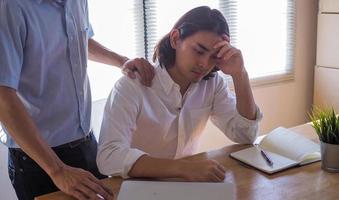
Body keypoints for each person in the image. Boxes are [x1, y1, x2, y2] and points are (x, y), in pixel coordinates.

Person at [0, 0, 154, 199]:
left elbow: (80, 39)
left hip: (85, 142)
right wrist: (58, 170)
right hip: (39, 158)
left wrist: (121, 61)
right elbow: (3, 97)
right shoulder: (9, 8)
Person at [97, 6, 263, 182]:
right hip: (139, 186)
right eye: (199, 51)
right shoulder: (132, 86)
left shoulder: (212, 84)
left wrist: (240, 74)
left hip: (186, 184)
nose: (204, 64)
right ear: (175, 39)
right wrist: (182, 168)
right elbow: (109, 156)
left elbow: (246, 136)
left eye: (213, 56)